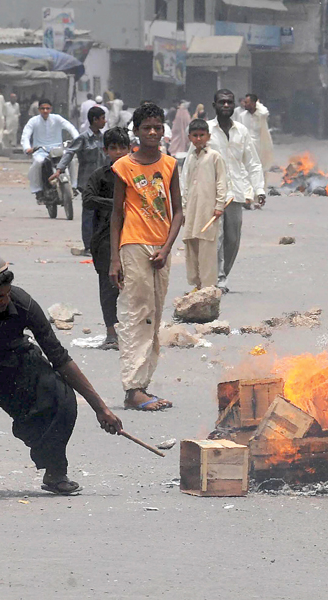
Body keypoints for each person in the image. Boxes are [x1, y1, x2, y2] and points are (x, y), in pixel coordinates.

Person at [0, 255, 123, 495]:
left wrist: (100, 408)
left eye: (6, 294)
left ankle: (55, 472)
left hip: (14, 362)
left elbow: (59, 357)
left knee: (59, 394)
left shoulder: (22, 303)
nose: (5, 301)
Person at [109, 102, 183, 412]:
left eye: (157, 126)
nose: (152, 132)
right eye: (146, 127)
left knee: (153, 316)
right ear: (136, 132)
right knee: (135, 315)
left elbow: (178, 212)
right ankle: (133, 389)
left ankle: (142, 384)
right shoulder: (124, 167)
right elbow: (115, 215)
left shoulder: (170, 165)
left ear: (163, 129)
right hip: (134, 244)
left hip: (160, 248)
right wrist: (115, 260)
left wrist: (166, 250)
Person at [206, 89, 266, 292]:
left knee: (232, 237)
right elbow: (191, 162)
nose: (225, 106)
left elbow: (253, 162)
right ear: (214, 105)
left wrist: (259, 189)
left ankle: (224, 272)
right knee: (217, 237)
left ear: (234, 106)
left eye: (229, 103)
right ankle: (218, 277)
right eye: (221, 102)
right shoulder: (205, 130)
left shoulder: (241, 131)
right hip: (211, 192)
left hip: (236, 192)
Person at [83, 127, 131, 351]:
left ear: (130, 148)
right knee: (108, 286)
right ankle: (111, 333)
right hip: (104, 240)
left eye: (123, 147)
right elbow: (88, 199)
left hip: (132, 236)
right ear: (105, 150)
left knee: (134, 286)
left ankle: (133, 331)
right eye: (113, 148)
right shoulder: (100, 176)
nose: (119, 152)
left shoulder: (136, 174)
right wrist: (116, 205)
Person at [53, 106, 108, 256]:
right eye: (102, 118)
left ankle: (100, 245)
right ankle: (88, 246)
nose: (105, 121)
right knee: (89, 214)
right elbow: (70, 152)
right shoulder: (83, 138)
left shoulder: (104, 138)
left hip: (103, 180)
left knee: (103, 214)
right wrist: (59, 169)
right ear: (95, 120)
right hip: (87, 181)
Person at [180, 119, 228, 290]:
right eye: (195, 135)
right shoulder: (191, 158)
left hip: (208, 211)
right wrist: (183, 209)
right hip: (192, 210)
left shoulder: (214, 157)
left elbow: (222, 182)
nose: (198, 139)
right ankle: (197, 284)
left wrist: (219, 205)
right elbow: (185, 184)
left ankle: (208, 287)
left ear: (208, 136)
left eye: (202, 135)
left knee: (207, 249)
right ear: (189, 137)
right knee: (191, 246)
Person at [21, 98, 79, 204]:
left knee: (71, 160)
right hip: (40, 150)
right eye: (42, 108)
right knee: (38, 163)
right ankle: (37, 190)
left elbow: (70, 128)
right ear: (39, 109)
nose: (45, 111)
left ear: (51, 109)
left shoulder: (57, 118)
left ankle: (74, 186)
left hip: (58, 149)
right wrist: (27, 148)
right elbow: (26, 135)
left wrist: (78, 140)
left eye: (47, 108)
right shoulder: (33, 121)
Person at [235, 93, 274, 174]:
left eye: (246, 102)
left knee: (261, 170)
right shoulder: (242, 116)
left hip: (260, 146)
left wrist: (258, 104)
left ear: (253, 103)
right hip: (247, 147)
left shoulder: (260, 115)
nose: (244, 104)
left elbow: (265, 112)